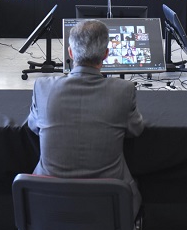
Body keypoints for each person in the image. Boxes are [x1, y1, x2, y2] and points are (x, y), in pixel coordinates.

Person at [27, 19, 144, 215]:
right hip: (111, 210)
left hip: (48, 207)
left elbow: (34, 126)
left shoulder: (42, 88)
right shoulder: (124, 90)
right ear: (106, 54)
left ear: (70, 53)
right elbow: (136, 129)